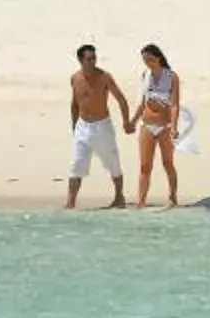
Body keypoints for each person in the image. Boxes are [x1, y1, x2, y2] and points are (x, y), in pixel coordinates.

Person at [63, 43, 133, 210]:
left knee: (113, 162)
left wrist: (126, 121)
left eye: (94, 58)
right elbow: (75, 104)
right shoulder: (75, 78)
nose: (92, 62)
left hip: (102, 126)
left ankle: (119, 198)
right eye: (89, 59)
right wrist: (74, 127)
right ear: (80, 60)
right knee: (76, 165)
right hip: (82, 126)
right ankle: (70, 203)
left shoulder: (104, 77)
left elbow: (121, 99)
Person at [131, 42, 182, 208]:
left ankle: (172, 197)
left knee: (168, 163)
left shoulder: (171, 77)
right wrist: (133, 121)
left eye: (151, 60)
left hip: (164, 126)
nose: (148, 63)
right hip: (147, 124)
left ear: (159, 58)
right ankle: (141, 200)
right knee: (145, 166)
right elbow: (142, 103)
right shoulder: (145, 75)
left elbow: (174, 105)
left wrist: (174, 126)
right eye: (145, 60)